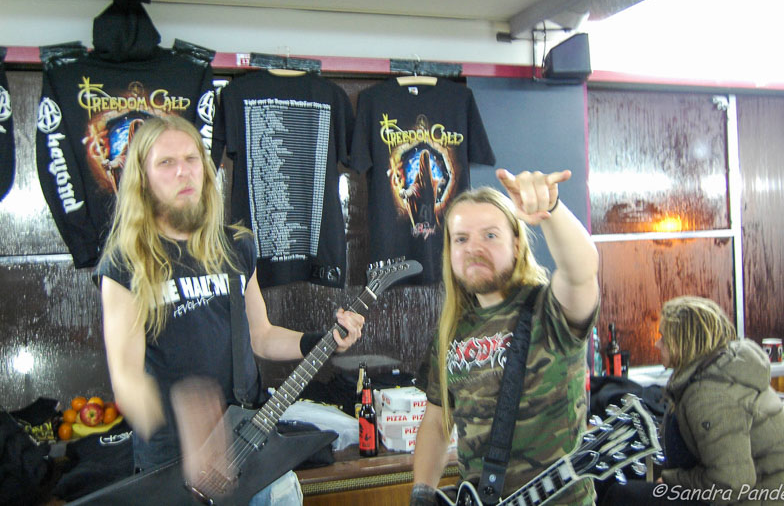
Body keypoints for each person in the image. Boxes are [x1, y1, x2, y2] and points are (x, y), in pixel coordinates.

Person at [93, 116, 364, 505]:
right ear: (142, 179)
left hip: (251, 448)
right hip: (176, 468)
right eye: (166, 162)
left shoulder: (235, 247)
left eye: (191, 159)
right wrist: (183, 427)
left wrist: (324, 340)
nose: (183, 171)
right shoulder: (126, 263)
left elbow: (262, 336)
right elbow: (127, 381)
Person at [410, 168, 600, 506]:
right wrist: (422, 492)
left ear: (516, 244)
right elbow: (437, 421)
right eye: (461, 239)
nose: (474, 248)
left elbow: (581, 272)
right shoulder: (451, 331)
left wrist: (551, 209)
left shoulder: (549, 310)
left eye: (490, 235)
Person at [603, 296, 784, 506]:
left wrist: (673, 480)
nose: (657, 344)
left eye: (663, 338)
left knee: (621, 496)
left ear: (683, 343)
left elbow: (731, 484)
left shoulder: (709, 395)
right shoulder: (719, 370)